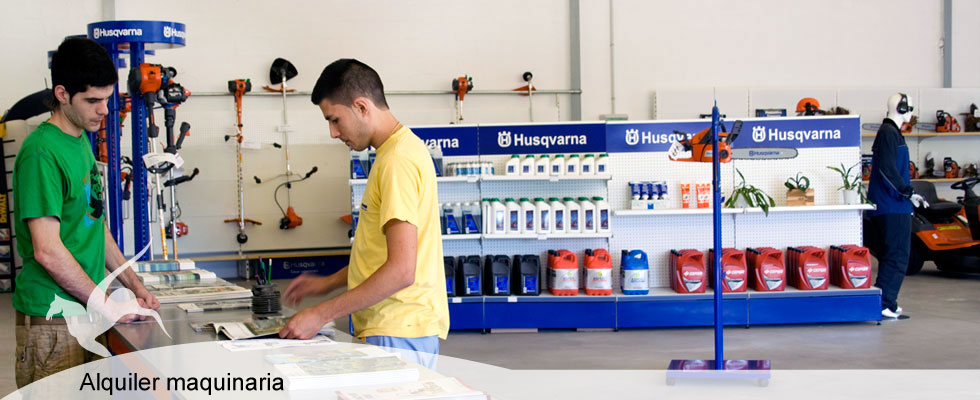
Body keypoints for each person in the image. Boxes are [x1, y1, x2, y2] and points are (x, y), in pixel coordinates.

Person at [12, 37, 160, 387]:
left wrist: (134, 285)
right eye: (92, 101)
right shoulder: (41, 153)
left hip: (88, 311)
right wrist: (110, 306)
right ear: (62, 94)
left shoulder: (79, 140)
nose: (104, 110)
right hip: (53, 321)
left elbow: (95, 224)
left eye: (106, 99)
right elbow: (47, 250)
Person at [280, 59, 449, 358]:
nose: (333, 133)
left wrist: (319, 314)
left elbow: (401, 271)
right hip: (395, 327)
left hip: (396, 329)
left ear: (361, 107)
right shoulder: (395, 152)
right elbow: (378, 257)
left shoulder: (397, 161)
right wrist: (327, 283)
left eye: (335, 120)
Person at [868, 93, 927, 320]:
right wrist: (906, 192)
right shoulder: (889, 133)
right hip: (892, 204)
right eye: (909, 107)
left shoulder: (891, 132)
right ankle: (884, 304)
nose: (911, 112)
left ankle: (887, 302)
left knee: (893, 255)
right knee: (898, 255)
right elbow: (887, 169)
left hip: (893, 203)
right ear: (902, 108)